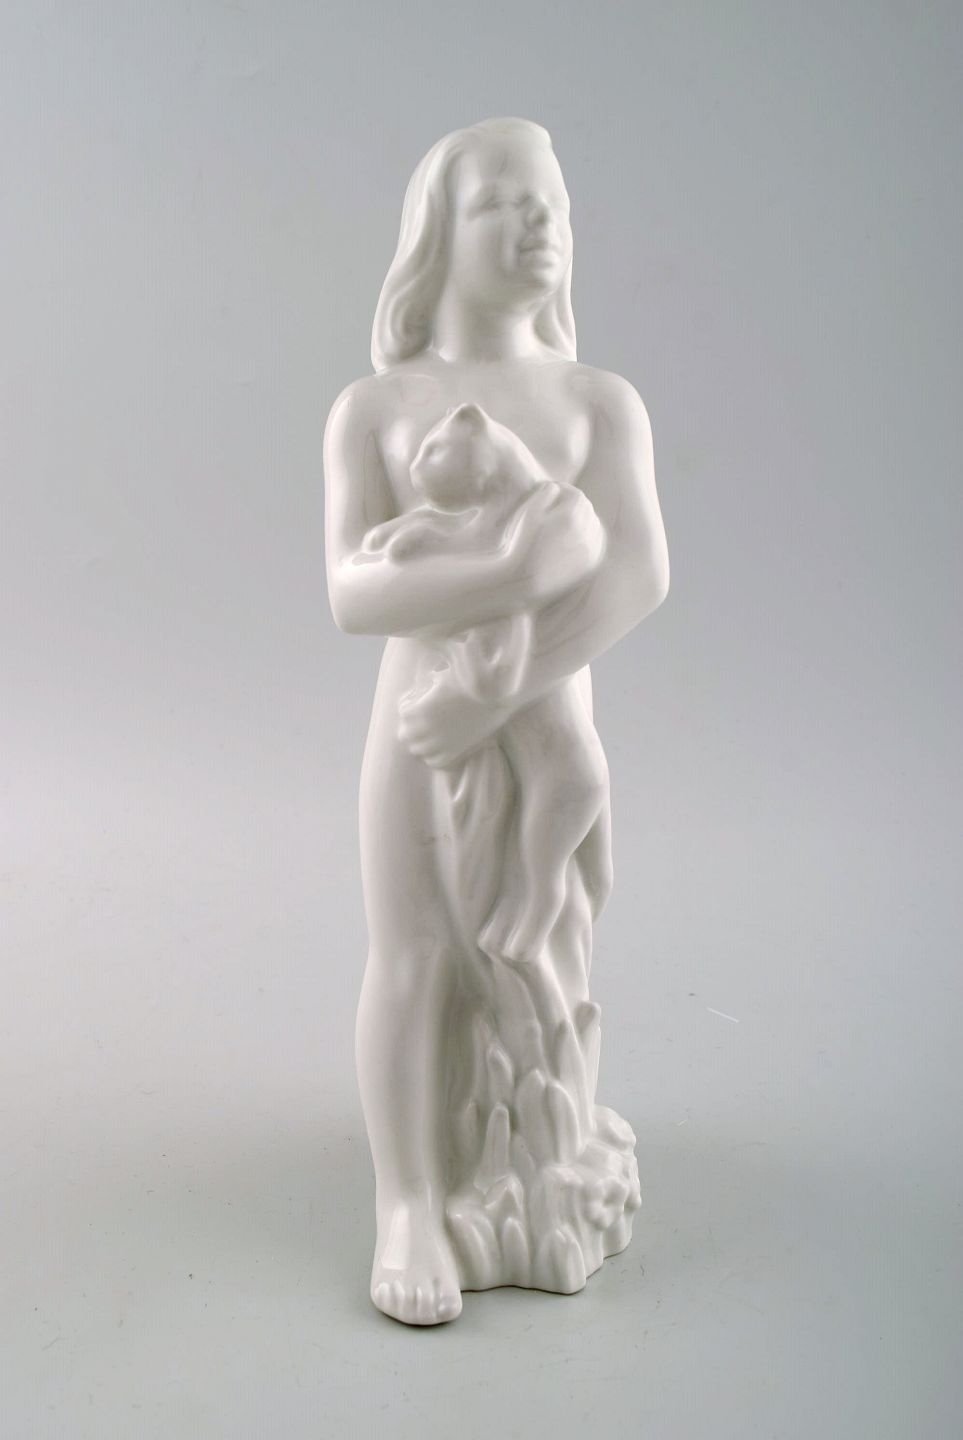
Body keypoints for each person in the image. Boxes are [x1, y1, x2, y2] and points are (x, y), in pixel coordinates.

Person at [324, 117, 669, 1325]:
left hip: (543, 721)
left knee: (544, 940)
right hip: (418, 732)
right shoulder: (378, 407)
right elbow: (353, 592)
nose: (541, 223)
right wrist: (511, 577)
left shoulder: (596, 401)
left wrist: (501, 685)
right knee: (413, 950)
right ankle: (410, 1201)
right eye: (504, 203)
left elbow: (638, 573)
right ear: (435, 238)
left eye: (553, 202)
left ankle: (543, 1158)